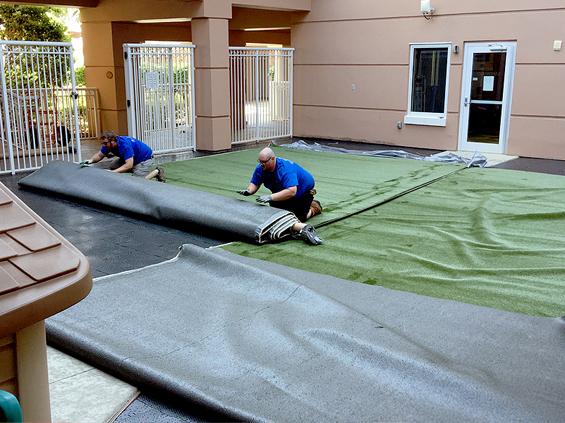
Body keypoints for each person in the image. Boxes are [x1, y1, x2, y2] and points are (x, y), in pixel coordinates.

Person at [237, 147, 323, 244]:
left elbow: (292, 191)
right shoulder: (260, 168)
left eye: (264, 162)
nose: (261, 164)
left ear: (273, 159)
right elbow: (255, 183)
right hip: (282, 192)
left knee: (298, 219)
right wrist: (249, 191)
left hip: (301, 193)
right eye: (260, 161)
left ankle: (313, 208)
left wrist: (271, 197)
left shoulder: (285, 170)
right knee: (276, 215)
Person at [80, 130, 165, 182]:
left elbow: (129, 165)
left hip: (145, 159)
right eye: (103, 143)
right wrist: (90, 160)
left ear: (113, 141)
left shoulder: (125, 145)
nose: (104, 145)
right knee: (113, 166)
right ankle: (138, 170)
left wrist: (113, 173)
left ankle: (157, 171)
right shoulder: (108, 145)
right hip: (133, 159)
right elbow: (99, 155)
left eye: (105, 143)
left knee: (137, 182)